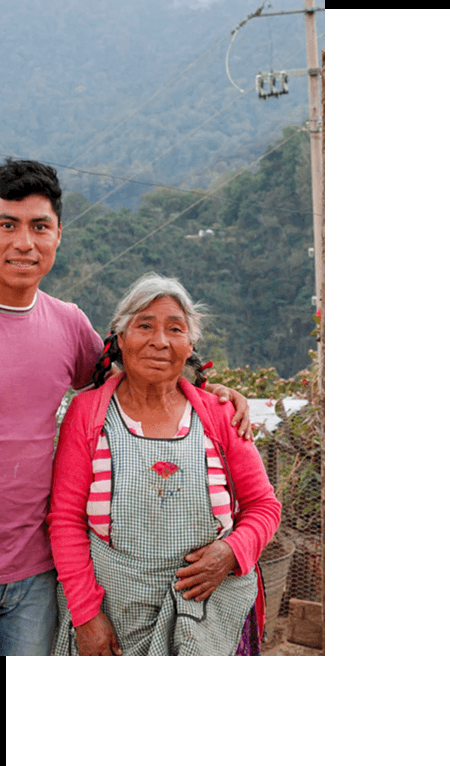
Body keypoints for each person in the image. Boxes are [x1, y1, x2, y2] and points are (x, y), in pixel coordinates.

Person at [0, 159, 251, 656]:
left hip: (36, 574)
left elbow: (138, 373)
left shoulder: (68, 325)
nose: (23, 243)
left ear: (57, 237)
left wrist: (210, 390)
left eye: (39, 227)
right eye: (8, 225)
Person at [48, 273, 281, 656]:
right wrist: (86, 615)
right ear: (121, 339)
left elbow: (264, 506)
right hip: (116, 621)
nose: (160, 341)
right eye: (144, 326)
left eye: (175, 329)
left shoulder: (220, 415)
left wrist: (231, 552)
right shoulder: (88, 415)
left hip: (208, 623)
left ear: (189, 346)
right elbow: (65, 520)